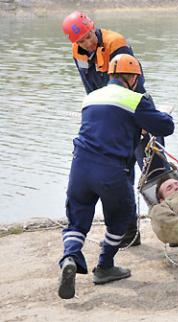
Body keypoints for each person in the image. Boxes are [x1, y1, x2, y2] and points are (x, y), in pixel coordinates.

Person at [57, 54, 175, 300]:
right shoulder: (135, 99)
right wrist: (162, 115)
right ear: (132, 77)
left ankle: (69, 256)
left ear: (110, 75)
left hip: (79, 167)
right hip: (110, 170)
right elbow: (165, 128)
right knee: (121, 218)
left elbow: (108, 123)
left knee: (77, 221)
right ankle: (105, 266)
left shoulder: (90, 97)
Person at [62, 11, 169, 246]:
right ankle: (128, 233)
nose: (87, 43)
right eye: (81, 41)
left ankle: (172, 226)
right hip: (111, 115)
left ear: (93, 28)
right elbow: (90, 88)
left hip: (134, 108)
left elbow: (133, 81)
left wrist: (141, 122)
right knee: (122, 174)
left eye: (89, 37)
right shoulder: (78, 53)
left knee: (155, 171)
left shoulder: (115, 43)